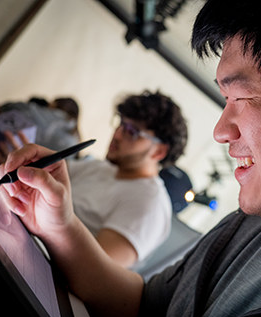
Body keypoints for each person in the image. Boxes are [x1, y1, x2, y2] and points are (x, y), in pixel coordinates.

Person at [0, 0, 261, 317]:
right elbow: (144, 310)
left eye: (241, 98)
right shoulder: (251, 223)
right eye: (223, 100)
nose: (220, 130)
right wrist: (58, 225)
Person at [66, 90, 188, 268]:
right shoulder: (102, 168)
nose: (117, 134)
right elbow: (48, 172)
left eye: (132, 132)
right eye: (121, 123)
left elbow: (92, 270)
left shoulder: (149, 204)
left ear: (159, 151)